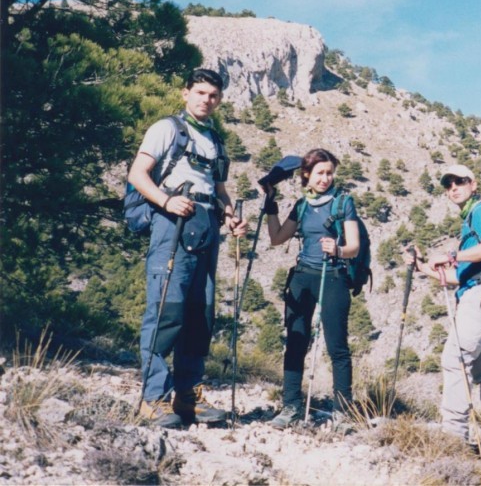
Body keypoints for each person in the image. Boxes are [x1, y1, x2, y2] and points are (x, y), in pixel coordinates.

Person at [128, 68, 248, 428]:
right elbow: (138, 174)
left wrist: (231, 216)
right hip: (173, 225)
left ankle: (187, 396)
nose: (206, 100)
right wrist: (166, 201)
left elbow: (220, 190)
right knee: (168, 309)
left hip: (207, 227)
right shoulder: (167, 129)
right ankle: (153, 398)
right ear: (185, 93)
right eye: (200, 93)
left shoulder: (215, 139)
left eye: (213, 95)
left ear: (220, 99)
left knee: (200, 313)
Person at [405, 164, 481, 461]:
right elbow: (457, 278)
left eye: (460, 182)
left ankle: (453, 435)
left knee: (454, 359)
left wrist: (453, 254)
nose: (453, 187)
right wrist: (423, 267)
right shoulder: (471, 221)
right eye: (448, 184)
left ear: (473, 184)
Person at [263, 148, 359, 429]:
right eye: (320, 173)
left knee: (337, 346)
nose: (326, 178)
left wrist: (338, 249)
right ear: (307, 175)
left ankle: (342, 411)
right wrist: (271, 205)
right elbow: (277, 238)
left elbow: (353, 247)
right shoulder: (302, 205)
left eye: (329, 173)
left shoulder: (344, 203)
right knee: (295, 342)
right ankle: (291, 406)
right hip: (303, 276)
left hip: (334, 277)